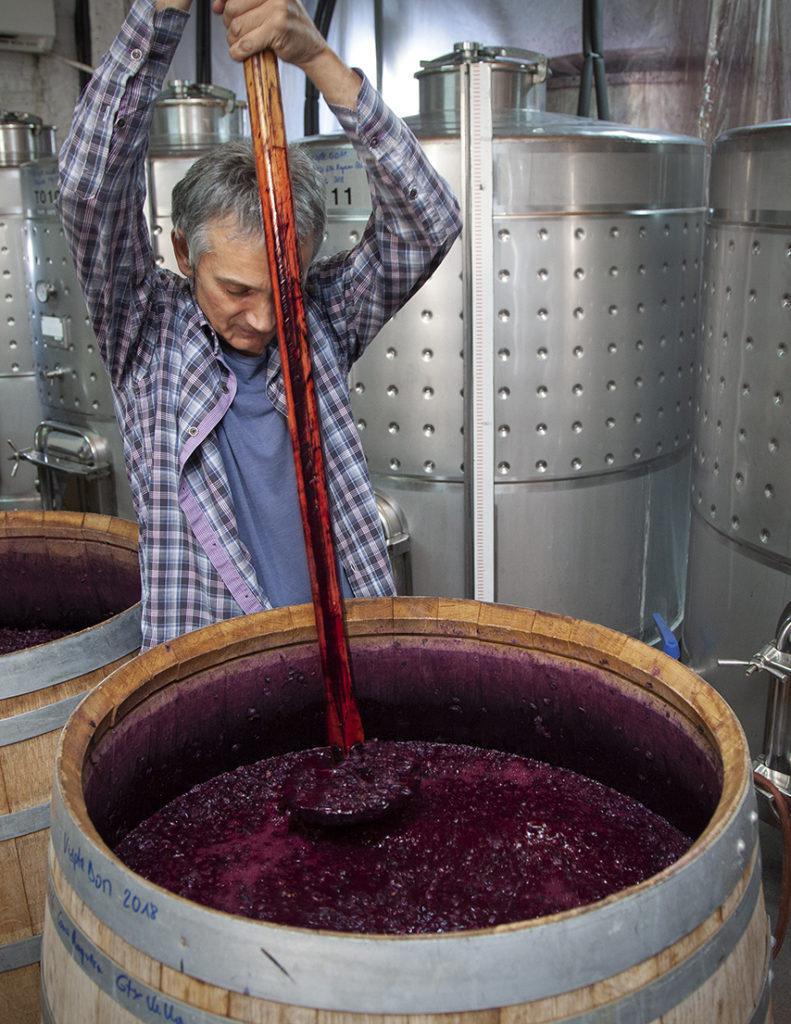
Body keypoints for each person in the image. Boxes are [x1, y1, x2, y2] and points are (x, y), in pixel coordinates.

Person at [59, 0, 461, 651]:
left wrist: (318, 59)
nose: (266, 319)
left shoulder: (320, 321)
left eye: (284, 289)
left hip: (346, 656)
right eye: (237, 290)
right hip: (218, 673)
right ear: (184, 253)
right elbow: (87, 188)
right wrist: (163, 12)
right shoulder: (145, 333)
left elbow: (429, 222)